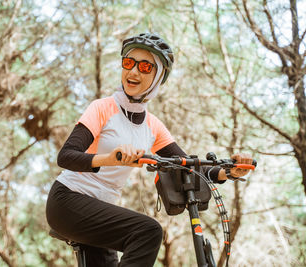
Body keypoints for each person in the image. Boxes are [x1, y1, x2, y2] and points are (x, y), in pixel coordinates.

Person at [46, 33, 252, 267]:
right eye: (128, 63)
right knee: (148, 232)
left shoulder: (152, 126)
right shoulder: (102, 108)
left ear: (158, 77)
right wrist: (111, 159)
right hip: (68, 201)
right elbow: (66, 157)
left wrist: (230, 172)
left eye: (145, 67)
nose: (133, 72)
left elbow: (188, 168)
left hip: (101, 210)